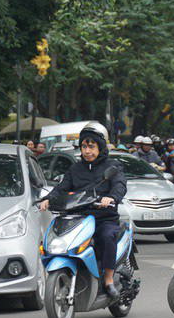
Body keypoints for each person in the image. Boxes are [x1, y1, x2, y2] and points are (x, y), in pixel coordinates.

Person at [39, 122, 127, 299]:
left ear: (100, 147)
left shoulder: (113, 166)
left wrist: (112, 197)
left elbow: (120, 185)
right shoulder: (74, 169)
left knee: (106, 236)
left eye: (91, 146)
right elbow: (61, 188)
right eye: (84, 146)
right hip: (79, 218)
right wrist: (47, 199)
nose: (87, 151)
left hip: (104, 218)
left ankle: (108, 280)